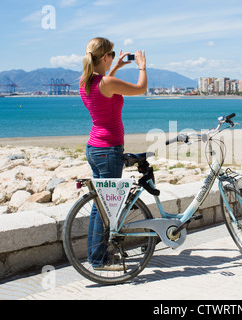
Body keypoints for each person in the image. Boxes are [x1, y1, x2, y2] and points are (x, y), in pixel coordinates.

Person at [79, 37, 147, 271]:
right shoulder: (107, 82)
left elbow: (104, 82)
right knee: (105, 207)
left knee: (100, 206)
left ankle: (95, 256)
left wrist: (116, 65)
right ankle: (98, 260)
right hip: (108, 150)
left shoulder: (85, 81)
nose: (114, 57)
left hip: (95, 148)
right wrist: (141, 66)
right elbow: (141, 88)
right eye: (112, 54)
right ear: (105, 56)